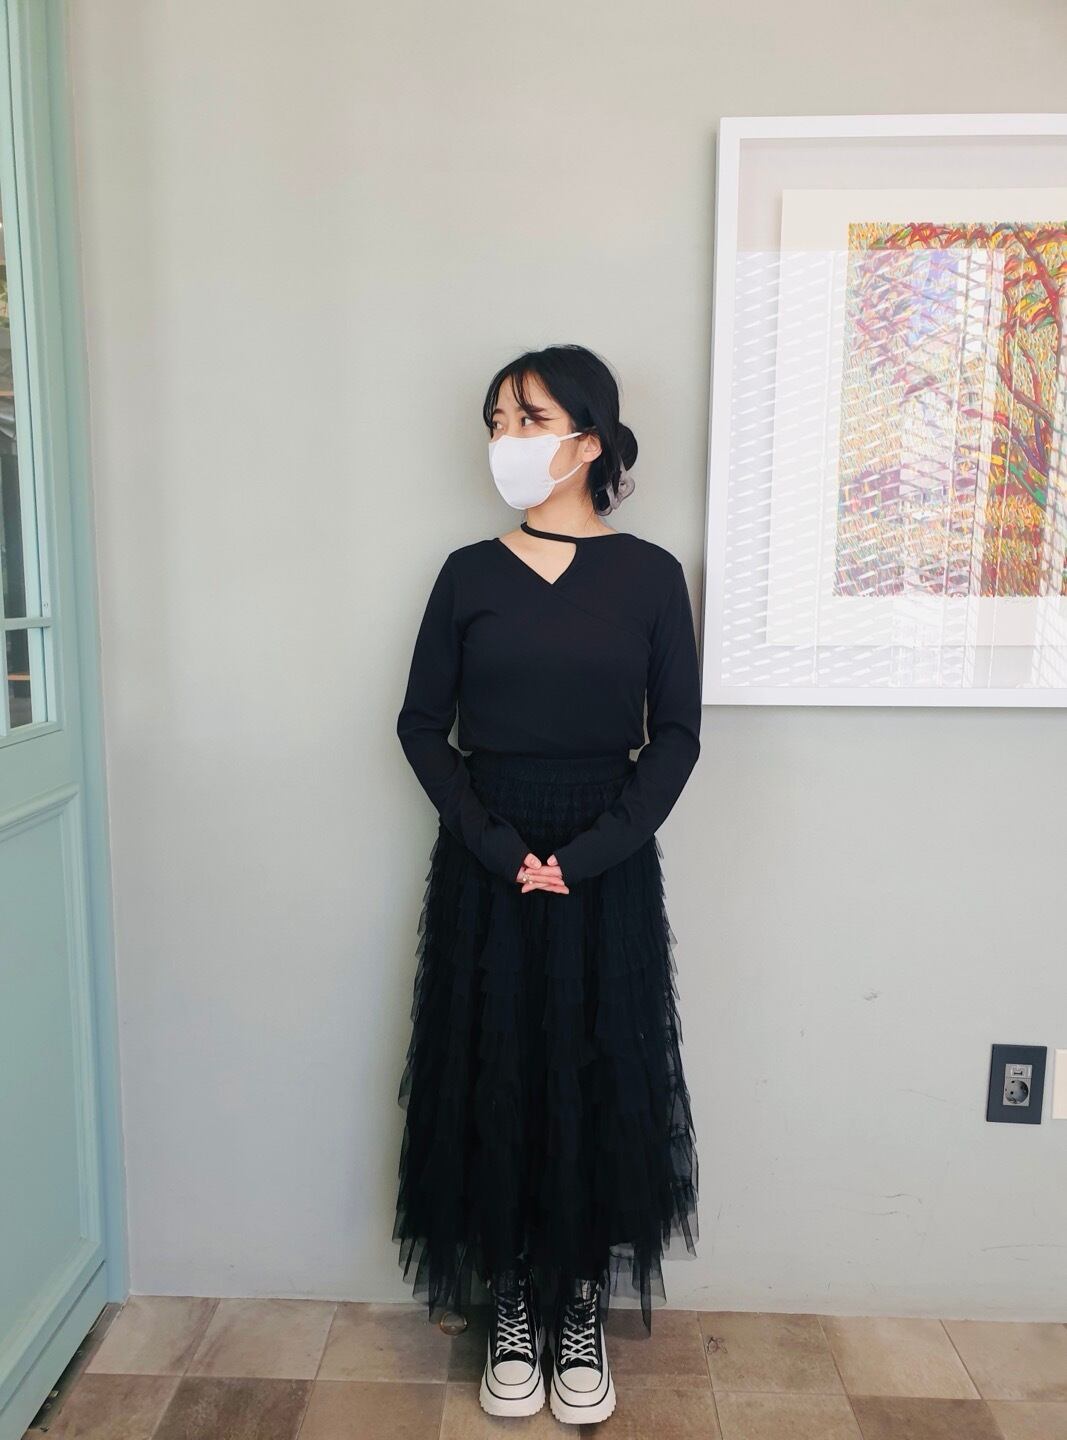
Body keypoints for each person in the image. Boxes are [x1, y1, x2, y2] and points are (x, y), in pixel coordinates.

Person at [392, 343, 701, 1425]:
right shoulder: (467, 575)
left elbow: (676, 737)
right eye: (496, 420)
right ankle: (512, 1301)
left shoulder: (650, 576)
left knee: (597, 1074)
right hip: (491, 858)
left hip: (602, 865)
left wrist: (590, 852)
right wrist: (493, 843)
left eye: (527, 419)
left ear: (586, 439)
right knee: (496, 1071)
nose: (506, 440)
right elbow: (420, 726)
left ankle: (578, 1306)